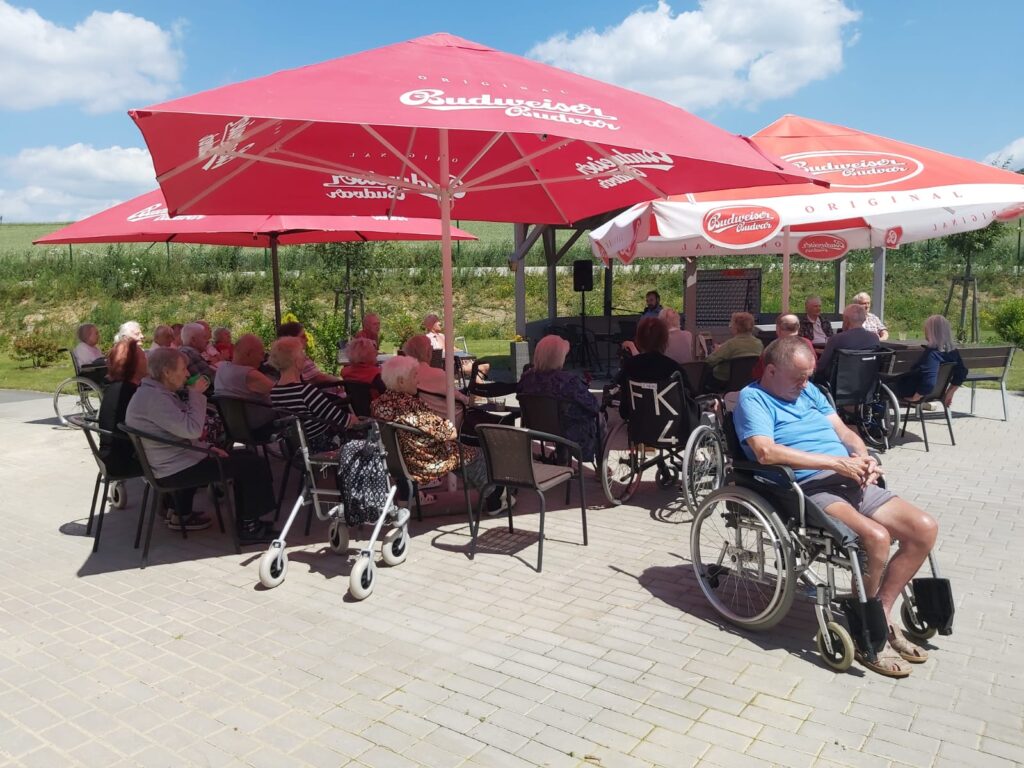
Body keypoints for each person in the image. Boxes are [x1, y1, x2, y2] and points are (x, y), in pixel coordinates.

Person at [735, 336, 938, 677]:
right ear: (770, 371)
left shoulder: (811, 392)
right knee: (876, 538)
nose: (804, 384)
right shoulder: (753, 398)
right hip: (809, 487)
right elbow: (765, 452)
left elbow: (845, 432)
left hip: (850, 478)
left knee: (924, 529)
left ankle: (882, 612)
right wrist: (834, 463)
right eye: (798, 377)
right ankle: (867, 634)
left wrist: (862, 455)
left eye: (808, 376)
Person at [125, 348, 278, 541]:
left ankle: (249, 521)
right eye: (183, 369)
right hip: (176, 469)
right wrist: (196, 394)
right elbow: (192, 429)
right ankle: (249, 528)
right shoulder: (154, 399)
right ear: (167, 372)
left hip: (178, 460)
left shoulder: (153, 393)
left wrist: (207, 448)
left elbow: (181, 432)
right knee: (252, 466)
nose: (187, 374)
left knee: (247, 458)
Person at [371, 356, 511, 513]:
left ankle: (493, 491)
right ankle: (495, 498)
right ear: (401, 381)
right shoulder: (409, 406)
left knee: (462, 454)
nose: (418, 381)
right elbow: (448, 432)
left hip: (399, 461)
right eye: (414, 376)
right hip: (424, 461)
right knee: (477, 454)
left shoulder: (379, 404)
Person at [518, 335, 600, 461]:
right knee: (599, 419)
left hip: (536, 428)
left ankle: (561, 457)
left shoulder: (526, 378)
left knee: (561, 417)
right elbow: (593, 406)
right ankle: (600, 463)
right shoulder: (569, 381)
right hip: (568, 431)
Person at [269, 336, 352, 452]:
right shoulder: (305, 392)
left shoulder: (275, 392)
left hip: (297, 447)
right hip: (323, 447)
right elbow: (343, 420)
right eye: (302, 353)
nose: (305, 357)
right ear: (297, 362)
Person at [97, 339, 147, 478]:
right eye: (144, 358)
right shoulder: (132, 393)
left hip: (110, 457)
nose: (147, 361)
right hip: (126, 461)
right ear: (133, 365)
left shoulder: (115, 388)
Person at [893, 315, 968, 407]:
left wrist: (918, 395)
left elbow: (929, 382)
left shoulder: (932, 354)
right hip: (936, 392)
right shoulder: (953, 352)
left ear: (931, 332)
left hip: (912, 390)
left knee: (882, 387)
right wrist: (950, 391)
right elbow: (962, 372)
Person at [401, 334, 473, 422]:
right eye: (431, 348)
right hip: (449, 420)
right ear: (428, 352)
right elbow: (461, 399)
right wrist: (472, 400)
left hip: (419, 419)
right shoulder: (438, 374)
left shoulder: (403, 376)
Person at [813, 303, 882, 382]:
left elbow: (821, 366)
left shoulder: (836, 339)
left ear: (846, 320)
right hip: (866, 382)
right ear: (863, 319)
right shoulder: (874, 338)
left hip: (839, 383)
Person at [422, 313, 489, 381]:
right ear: (430, 325)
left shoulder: (442, 336)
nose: (440, 323)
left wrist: (463, 355)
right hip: (447, 367)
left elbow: (453, 348)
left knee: (485, 366)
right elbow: (436, 355)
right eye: (437, 322)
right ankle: (471, 383)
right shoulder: (428, 338)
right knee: (480, 368)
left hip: (456, 362)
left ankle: (474, 384)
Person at [704, 312, 763, 385]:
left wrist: (716, 351)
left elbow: (709, 361)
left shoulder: (731, 344)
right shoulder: (759, 343)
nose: (730, 326)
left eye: (731, 324)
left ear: (736, 327)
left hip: (725, 382)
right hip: (750, 382)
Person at [276, 321, 342, 387]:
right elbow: (318, 378)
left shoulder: (278, 360)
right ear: (292, 340)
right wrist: (340, 381)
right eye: (303, 336)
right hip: (322, 391)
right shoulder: (298, 359)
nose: (307, 339)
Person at [214, 334, 274, 404]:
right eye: (261, 354)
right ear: (249, 354)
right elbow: (281, 392)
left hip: (229, 411)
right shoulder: (249, 374)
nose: (262, 359)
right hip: (266, 410)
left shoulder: (221, 368)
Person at [752, 314, 814, 380]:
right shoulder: (807, 344)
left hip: (777, 385)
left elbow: (758, 374)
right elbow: (813, 367)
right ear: (798, 327)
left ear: (777, 329)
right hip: (804, 382)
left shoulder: (772, 347)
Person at [340, 337, 386, 401]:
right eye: (374, 350)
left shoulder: (345, 372)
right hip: (377, 405)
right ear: (367, 355)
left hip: (356, 405)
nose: (377, 353)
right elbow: (386, 393)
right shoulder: (376, 375)